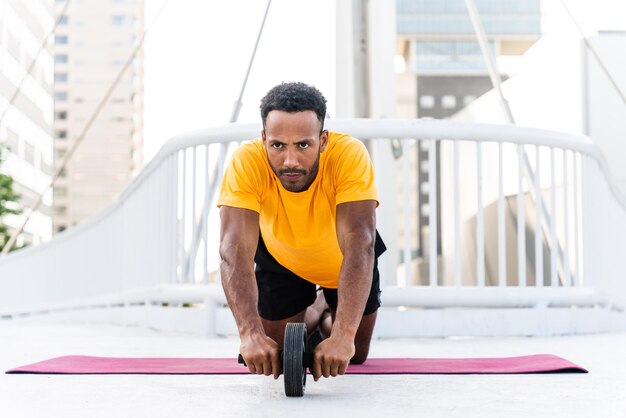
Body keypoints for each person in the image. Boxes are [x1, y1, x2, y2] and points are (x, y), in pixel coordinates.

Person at [217, 82, 386, 382]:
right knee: (274, 352)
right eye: (278, 145)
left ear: (322, 140)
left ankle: (323, 305)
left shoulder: (349, 154)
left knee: (355, 354)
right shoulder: (246, 160)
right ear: (264, 138)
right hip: (281, 255)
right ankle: (314, 308)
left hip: (343, 263)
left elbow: (361, 244)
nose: (290, 161)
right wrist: (249, 333)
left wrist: (342, 337)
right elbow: (234, 250)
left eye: (303, 145)